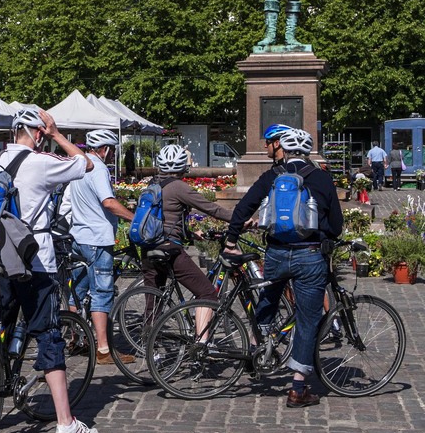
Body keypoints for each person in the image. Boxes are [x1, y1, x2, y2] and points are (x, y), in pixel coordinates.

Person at [0, 108, 100, 433]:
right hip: (36, 259)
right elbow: (86, 163)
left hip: (2, 255)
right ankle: (65, 422)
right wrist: (57, 134)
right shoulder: (41, 162)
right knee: (48, 335)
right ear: (36, 132)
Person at [224, 128, 343, 408]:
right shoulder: (322, 178)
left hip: (277, 253)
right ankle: (298, 388)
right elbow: (336, 226)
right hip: (310, 255)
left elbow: (244, 207)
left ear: (284, 150)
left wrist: (231, 238)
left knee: (268, 298)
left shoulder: (272, 176)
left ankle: (258, 345)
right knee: (307, 318)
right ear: (308, 151)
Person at [141, 144, 233, 336]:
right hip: (169, 250)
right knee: (207, 293)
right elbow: (211, 208)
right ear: (183, 166)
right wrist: (240, 219)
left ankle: (148, 343)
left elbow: (162, 219)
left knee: (154, 300)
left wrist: (190, 234)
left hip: (148, 248)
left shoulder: (152, 185)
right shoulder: (179, 187)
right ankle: (201, 344)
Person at [67, 130, 135, 366]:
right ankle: (104, 349)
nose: (113, 154)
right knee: (102, 293)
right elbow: (109, 202)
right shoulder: (97, 168)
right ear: (105, 149)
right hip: (97, 239)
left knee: (78, 290)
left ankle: (76, 339)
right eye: (112, 150)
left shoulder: (79, 166)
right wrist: (134, 218)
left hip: (79, 236)